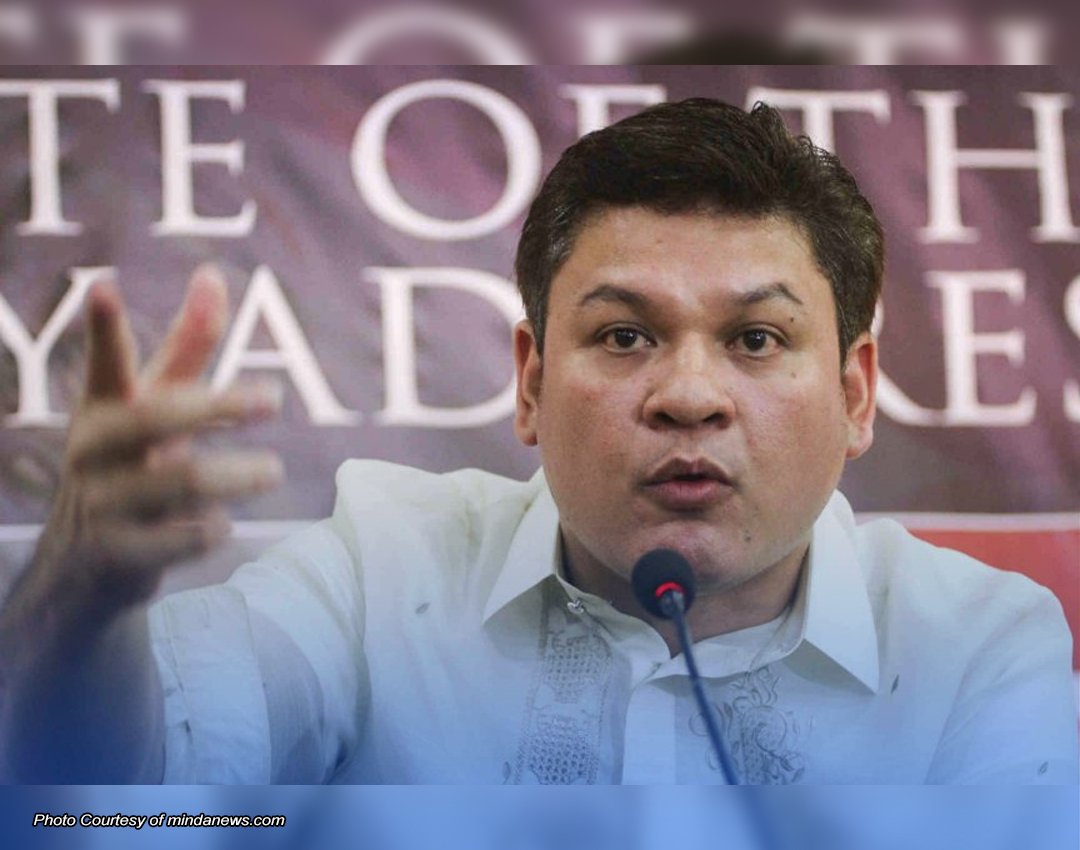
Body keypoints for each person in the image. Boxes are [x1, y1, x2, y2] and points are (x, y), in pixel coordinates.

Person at [0, 99, 1075, 785]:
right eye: (624, 336)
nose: (688, 396)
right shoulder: (381, 570)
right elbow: (131, 809)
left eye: (756, 338)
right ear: (531, 381)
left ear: (854, 393)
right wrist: (78, 604)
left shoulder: (978, 648)